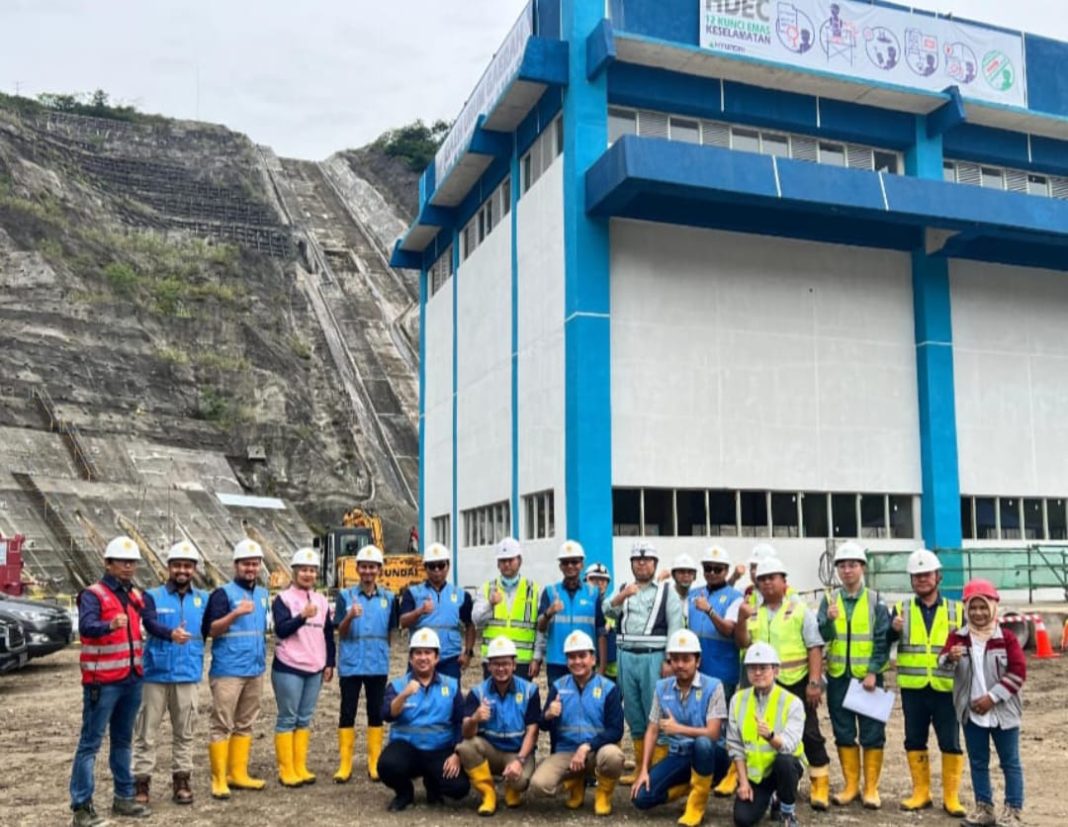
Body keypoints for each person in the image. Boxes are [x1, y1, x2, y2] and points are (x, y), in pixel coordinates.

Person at [735, 557, 831, 810]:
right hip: (763, 686)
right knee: (767, 733)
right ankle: (777, 784)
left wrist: (814, 682)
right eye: (762, 579)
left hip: (796, 682)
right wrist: (742, 619)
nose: (766, 583)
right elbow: (743, 643)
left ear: (784, 581)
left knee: (809, 733)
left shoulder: (799, 610)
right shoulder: (754, 611)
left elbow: (814, 646)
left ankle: (820, 785)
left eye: (772, 578)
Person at [70, 536, 152, 826]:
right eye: (122, 561)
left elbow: (149, 622)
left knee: (122, 740)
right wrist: (109, 624)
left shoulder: (135, 595)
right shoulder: (93, 594)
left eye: (132, 562)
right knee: (90, 744)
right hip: (101, 682)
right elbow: (86, 628)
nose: (128, 567)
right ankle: (81, 808)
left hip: (131, 679)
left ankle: (124, 797)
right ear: (108, 563)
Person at [939, 579, 1026, 827]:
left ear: (993, 607)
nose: (978, 613)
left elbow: (1018, 672)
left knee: (1010, 762)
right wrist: (949, 658)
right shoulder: (957, 637)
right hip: (971, 713)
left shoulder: (1006, 638)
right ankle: (984, 809)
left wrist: (992, 698)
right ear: (966, 609)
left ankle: (1013, 811)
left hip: (1003, 713)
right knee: (978, 762)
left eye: (983, 607)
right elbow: (942, 665)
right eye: (973, 608)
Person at [888, 547, 966, 815]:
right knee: (914, 740)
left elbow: (971, 646)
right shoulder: (900, 610)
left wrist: (961, 654)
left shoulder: (958, 611)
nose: (921, 579)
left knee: (950, 742)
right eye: (916, 575)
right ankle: (921, 792)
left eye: (926, 574)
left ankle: (951, 797)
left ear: (938, 577)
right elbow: (884, 643)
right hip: (914, 689)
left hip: (946, 688)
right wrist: (891, 630)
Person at [132, 541, 208, 808]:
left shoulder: (204, 599)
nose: (182, 570)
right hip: (155, 674)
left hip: (187, 673)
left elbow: (211, 627)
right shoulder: (152, 596)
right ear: (169, 567)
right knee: (145, 731)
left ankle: (182, 780)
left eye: (187, 566)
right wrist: (170, 634)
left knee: (185, 731)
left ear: (194, 569)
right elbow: (149, 622)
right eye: (177, 565)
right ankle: (141, 783)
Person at [816, 542, 889, 809]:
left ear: (862, 568)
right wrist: (828, 622)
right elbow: (820, 637)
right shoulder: (829, 600)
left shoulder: (875, 599)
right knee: (844, 732)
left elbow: (882, 638)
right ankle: (850, 786)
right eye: (842, 566)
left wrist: (872, 671)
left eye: (852, 565)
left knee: (872, 733)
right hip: (838, 676)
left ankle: (870, 788)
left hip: (867, 679)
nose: (847, 570)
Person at [631, 629, 730, 826]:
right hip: (679, 755)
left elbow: (713, 733)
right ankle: (688, 787)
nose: (680, 665)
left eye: (686, 659)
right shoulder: (662, 687)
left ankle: (696, 805)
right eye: (674, 659)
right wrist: (643, 769)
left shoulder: (713, 686)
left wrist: (678, 729)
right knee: (641, 798)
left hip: (711, 756)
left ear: (698, 661)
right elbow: (652, 728)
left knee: (702, 744)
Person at [605, 541, 684, 785]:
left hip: (654, 657)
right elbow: (605, 609)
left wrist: (671, 660)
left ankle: (658, 770)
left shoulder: (666, 591)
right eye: (637, 560)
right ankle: (641, 767)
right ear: (631, 564)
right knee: (634, 711)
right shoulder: (624, 588)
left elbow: (676, 625)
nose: (642, 563)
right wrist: (622, 595)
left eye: (647, 560)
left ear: (655, 564)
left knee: (657, 711)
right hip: (626, 657)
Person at [202, 538, 270, 800]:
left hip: (255, 669)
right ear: (236, 565)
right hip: (228, 669)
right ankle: (219, 778)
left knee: (246, 724)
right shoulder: (223, 594)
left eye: (254, 564)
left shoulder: (263, 595)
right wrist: (235, 614)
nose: (250, 568)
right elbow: (212, 629)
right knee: (222, 723)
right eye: (246, 564)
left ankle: (238, 774)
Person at [531, 630, 625, 815]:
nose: (577, 662)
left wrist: (587, 747)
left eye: (582, 656)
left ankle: (603, 794)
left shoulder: (608, 689)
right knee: (539, 786)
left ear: (592, 658)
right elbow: (542, 725)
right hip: (567, 752)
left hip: (597, 751)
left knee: (614, 757)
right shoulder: (559, 687)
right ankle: (575, 783)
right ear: (567, 661)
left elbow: (616, 730)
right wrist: (548, 715)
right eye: (572, 657)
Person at [378, 628, 470, 811]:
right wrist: (404, 695)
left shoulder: (450, 685)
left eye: (428, 652)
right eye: (418, 653)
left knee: (459, 788)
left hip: (439, 749)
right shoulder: (398, 685)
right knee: (387, 765)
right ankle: (405, 793)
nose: (423, 657)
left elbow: (461, 721)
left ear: (436, 658)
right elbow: (387, 714)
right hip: (407, 749)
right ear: (411, 658)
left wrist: (457, 753)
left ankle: (433, 784)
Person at [333, 543, 397, 783]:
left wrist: (382, 650)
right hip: (351, 663)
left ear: (379, 569)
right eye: (364, 567)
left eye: (373, 567)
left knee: (375, 711)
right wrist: (350, 615)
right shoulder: (345, 596)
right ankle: (345, 764)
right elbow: (341, 630)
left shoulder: (389, 598)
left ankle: (374, 762)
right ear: (357, 568)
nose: (368, 571)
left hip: (377, 664)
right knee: (347, 711)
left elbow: (392, 631)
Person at [271, 547, 335, 787]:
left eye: (312, 570)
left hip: (315, 666)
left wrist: (329, 662)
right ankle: (286, 769)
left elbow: (328, 634)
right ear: (294, 571)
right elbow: (281, 630)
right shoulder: (283, 599)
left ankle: (300, 766)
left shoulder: (321, 600)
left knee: (305, 718)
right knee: (288, 717)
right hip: (289, 665)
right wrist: (301, 617)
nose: (308, 574)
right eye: (303, 570)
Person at [458, 636, 541, 814]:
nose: (501, 669)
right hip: (491, 751)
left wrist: (519, 761)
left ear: (514, 664)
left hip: (517, 752)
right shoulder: (477, 692)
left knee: (521, 781)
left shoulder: (529, 691)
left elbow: (532, 732)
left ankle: (512, 788)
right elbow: (466, 733)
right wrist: (474, 719)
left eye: (505, 663)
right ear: (489, 666)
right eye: (496, 664)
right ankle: (488, 792)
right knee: (466, 747)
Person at [727, 642, 807, 827]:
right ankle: (771, 796)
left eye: (763, 668)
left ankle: (787, 811)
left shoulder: (792, 702)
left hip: (786, 767)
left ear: (776, 670)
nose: (757, 673)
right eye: (752, 668)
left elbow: (790, 745)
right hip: (757, 775)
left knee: (784, 761)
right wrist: (744, 783)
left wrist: (771, 736)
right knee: (743, 819)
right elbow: (735, 745)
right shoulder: (738, 700)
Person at [687, 544, 744, 797]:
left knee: (722, 724)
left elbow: (729, 630)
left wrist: (709, 611)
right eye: (708, 568)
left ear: (726, 570)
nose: (711, 572)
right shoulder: (694, 593)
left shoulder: (735, 597)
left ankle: (725, 772)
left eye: (717, 569)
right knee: (699, 720)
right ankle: (703, 771)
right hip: (698, 670)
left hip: (723, 670)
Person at [399, 543, 475, 681]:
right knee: (416, 698)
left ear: (448, 566)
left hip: (450, 659)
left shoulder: (460, 595)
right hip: (421, 658)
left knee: (449, 700)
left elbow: (470, 625)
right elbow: (403, 622)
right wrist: (420, 611)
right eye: (432, 566)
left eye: (441, 565)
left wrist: (468, 653)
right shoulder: (413, 593)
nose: (436, 570)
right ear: (425, 567)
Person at [472, 536, 543, 679]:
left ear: (520, 561)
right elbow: (476, 621)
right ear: (498, 564)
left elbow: (540, 628)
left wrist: (537, 657)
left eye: (511, 560)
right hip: (494, 660)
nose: (507, 564)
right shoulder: (487, 588)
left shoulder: (534, 590)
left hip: (522, 661)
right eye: (503, 561)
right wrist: (489, 604)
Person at [537, 540, 607, 684]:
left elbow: (600, 631)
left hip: (585, 661)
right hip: (557, 662)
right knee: (558, 704)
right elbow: (540, 627)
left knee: (586, 704)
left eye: (574, 562)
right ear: (560, 566)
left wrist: (602, 667)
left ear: (582, 564)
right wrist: (549, 613)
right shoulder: (550, 592)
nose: (570, 566)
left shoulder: (593, 593)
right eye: (565, 562)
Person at [584, 563, 618, 681]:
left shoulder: (613, 606)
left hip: (612, 668)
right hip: (587, 663)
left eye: (603, 580)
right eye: (594, 579)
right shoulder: (581, 607)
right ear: (586, 581)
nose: (599, 583)